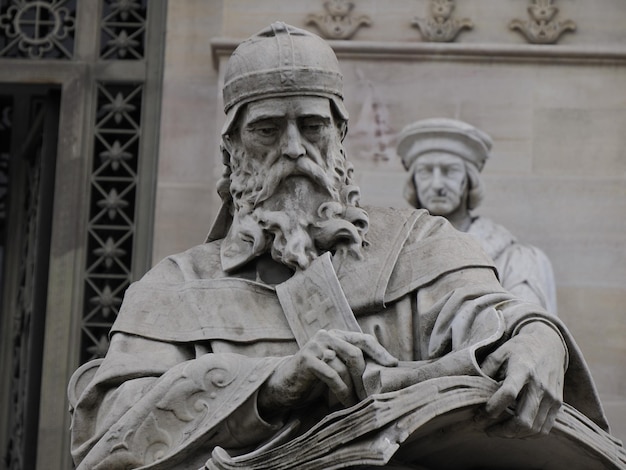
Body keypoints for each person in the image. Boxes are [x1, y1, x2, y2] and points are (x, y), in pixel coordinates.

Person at [68, 23, 610, 469]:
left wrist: (538, 338)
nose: (294, 149)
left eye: (311, 125)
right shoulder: (173, 287)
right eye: (267, 130)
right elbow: (107, 436)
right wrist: (270, 385)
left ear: (340, 138)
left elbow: (491, 315)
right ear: (231, 149)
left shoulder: (420, 241)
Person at [397, 118, 558, 314]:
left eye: (450, 172)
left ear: (469, 179)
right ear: (413, 181)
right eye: (426, 172)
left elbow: (529, 335)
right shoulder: (392, 256)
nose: (437, 184)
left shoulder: (514, 260)